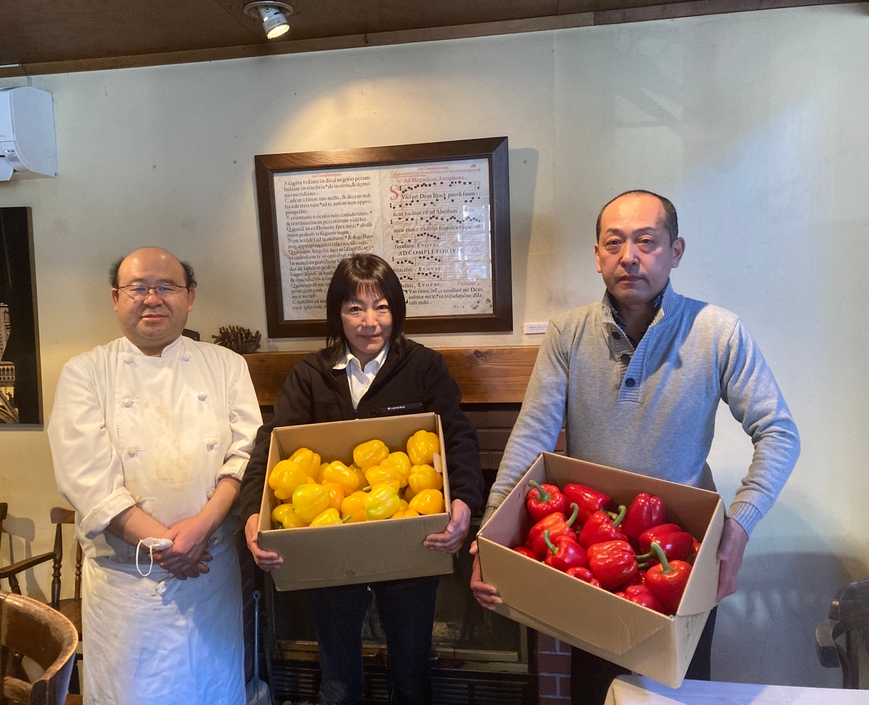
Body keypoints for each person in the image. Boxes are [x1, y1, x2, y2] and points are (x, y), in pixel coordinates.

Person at [469, 190, 801, 705]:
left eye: (646, 241)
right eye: (615, 242)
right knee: (596, 690)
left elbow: (779, 432)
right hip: (594, 556)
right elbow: (532, 434)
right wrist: (490, 537)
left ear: (676, 250)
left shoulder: (718, 331)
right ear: (598, 255)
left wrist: (737, 528)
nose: (630, 256)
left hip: (680, 555)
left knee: (677, 694)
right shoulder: (567, 334)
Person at [241, 253, 483, 705]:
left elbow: (458, 437)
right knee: (337, 677)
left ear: (397, 311)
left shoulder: (423, 367)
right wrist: (254, 516)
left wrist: (465, 501)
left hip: (412, 540)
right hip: (332, 543)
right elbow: (270, 446)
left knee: (411, 673)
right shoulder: (311, 375)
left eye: (382, 307)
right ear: (338, 313)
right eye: (355, 308)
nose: (370, 321)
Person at [48, 247, 262, 705]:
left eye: (167, 287)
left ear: (190, 297)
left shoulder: (227, 366)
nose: (153, 298)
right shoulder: (86, 372)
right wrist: (167, 548)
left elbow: (246, 456)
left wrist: (199, 530)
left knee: (215, 692)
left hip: (210, 574)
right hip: (128, 589)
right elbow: (88, 480)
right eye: (138, 288)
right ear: (115, 297)